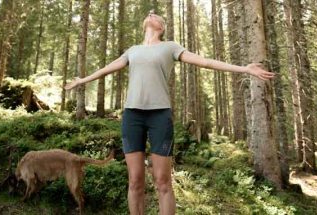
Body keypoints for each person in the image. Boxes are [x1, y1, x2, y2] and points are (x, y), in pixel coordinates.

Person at [64, 11, 275, 215]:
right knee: (135, 180)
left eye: (157, 16)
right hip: (132, 117)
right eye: (150, 15)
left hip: (159, 117)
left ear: (162, 27)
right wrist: (82, 80)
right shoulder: (132, 50)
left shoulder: (170, 47)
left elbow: (206, 62)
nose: (152, 13)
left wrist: (244, 69)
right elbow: (106, 69)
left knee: (162, 180)